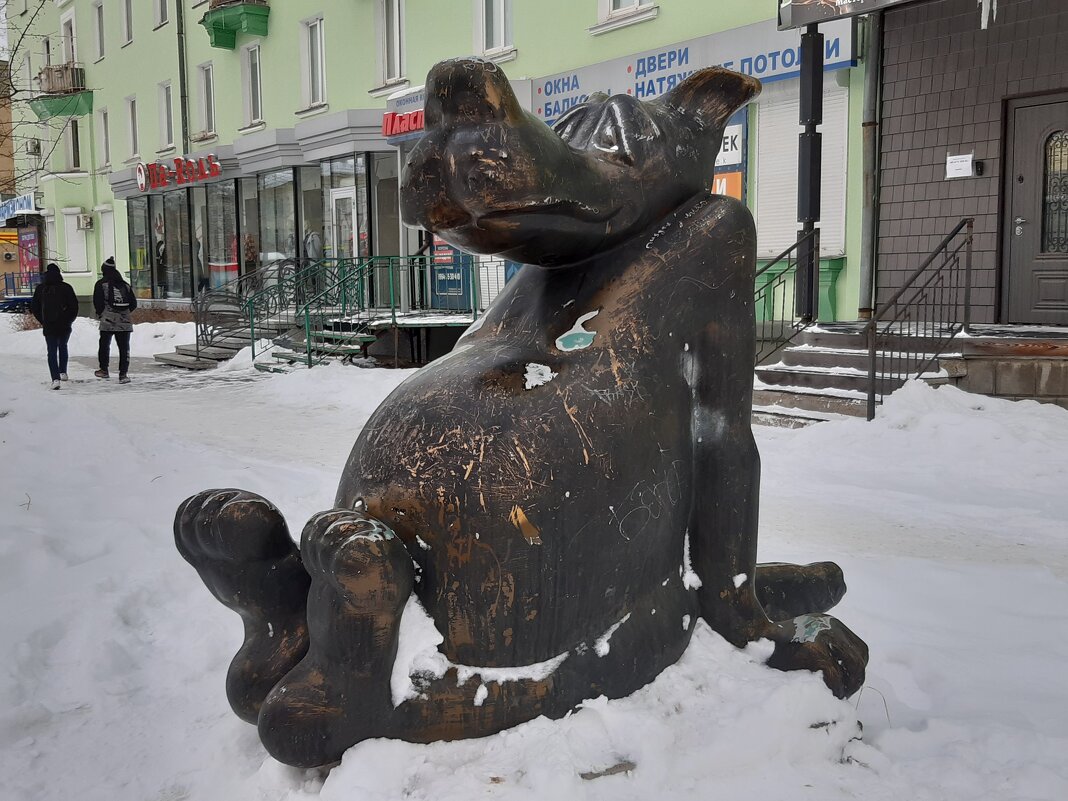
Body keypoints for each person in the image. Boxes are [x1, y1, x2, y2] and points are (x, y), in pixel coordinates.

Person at [30, 263, 79, 390]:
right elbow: (74, 307)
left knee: (51, 351)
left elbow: (34, 307)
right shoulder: (66, 287)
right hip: (64, 325)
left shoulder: (41, 289)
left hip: (49, 325)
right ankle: (63, 371)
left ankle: (55, 379)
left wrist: (43, 320)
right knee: (63, 346)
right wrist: (69, 320)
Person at [92, 256, 137, 384]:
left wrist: (102, 314)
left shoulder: (101, 284)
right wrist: (124, 315)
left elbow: (98, 302)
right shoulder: (125, 285)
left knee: (104, 345)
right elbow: (133, 304)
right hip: (125, 322)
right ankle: (123, 374)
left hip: (107, 320)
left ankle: (104, 370)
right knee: (124, 348)